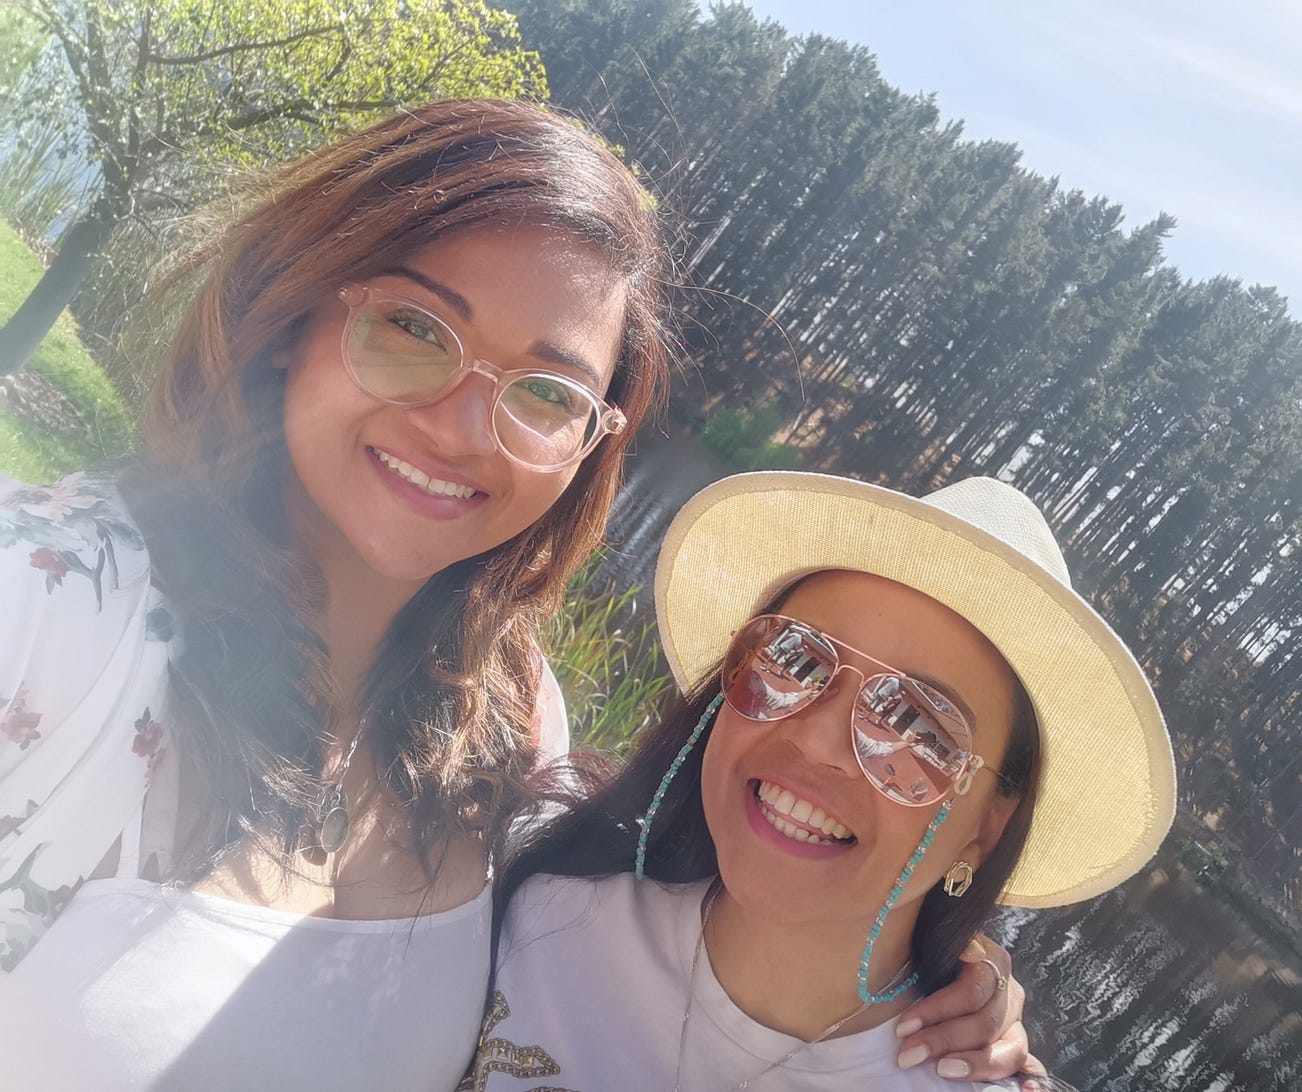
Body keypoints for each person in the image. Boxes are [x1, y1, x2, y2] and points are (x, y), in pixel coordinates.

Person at [0, 101, 1031, 1087]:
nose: (461, 429)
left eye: (546, 392)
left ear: (588, 449)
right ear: (295, 311)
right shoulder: (43, 612)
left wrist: (928, 949)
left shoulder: (505, 716)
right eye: (415, 328)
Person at [471, 470, 1176, 1090]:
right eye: (794, 659)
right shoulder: (527, 881)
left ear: (985, 829)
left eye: (916, 727)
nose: (814, 740)